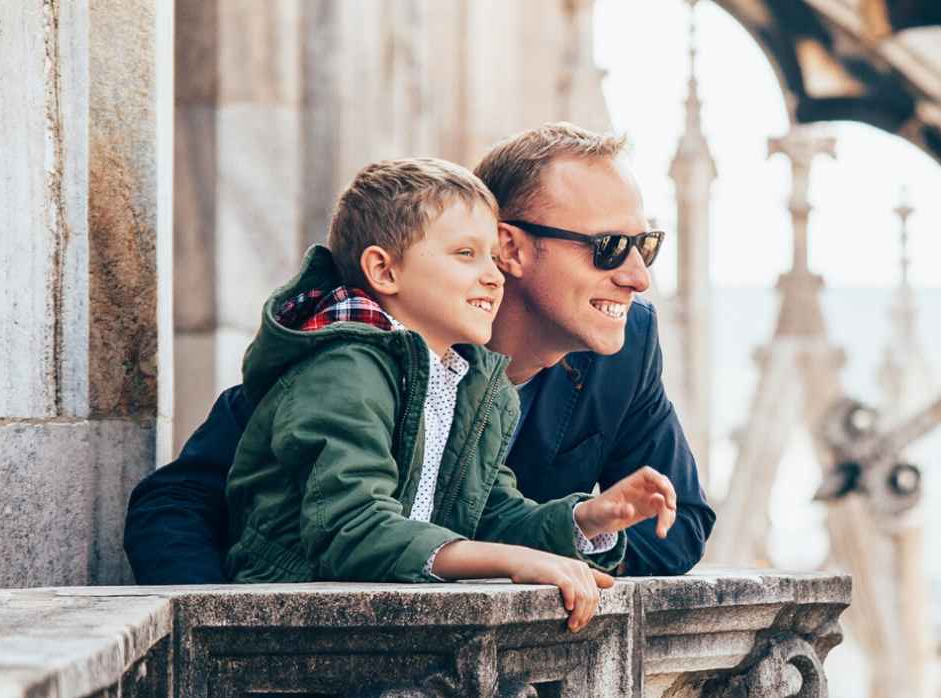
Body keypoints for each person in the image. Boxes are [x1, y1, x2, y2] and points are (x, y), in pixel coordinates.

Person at [126, 124, 714, 584]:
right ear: (510, 247)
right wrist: (226, 649)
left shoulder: (622, 346)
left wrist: (584, 529)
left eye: (646, 245)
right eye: (610, 247)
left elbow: (680, 524)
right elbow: (176, 502)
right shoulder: (350, 351)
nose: (638, 276)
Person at [222, 157, 676, 631]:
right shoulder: (343, 368)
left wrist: (586, 519)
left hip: (392, 619)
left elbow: (489, 512)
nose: (494, 276)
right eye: (465, 254)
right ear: (384, 270)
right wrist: (513, 561)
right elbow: (351, 528)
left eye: (492, 259)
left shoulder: (470, 379)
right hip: (295, 627)